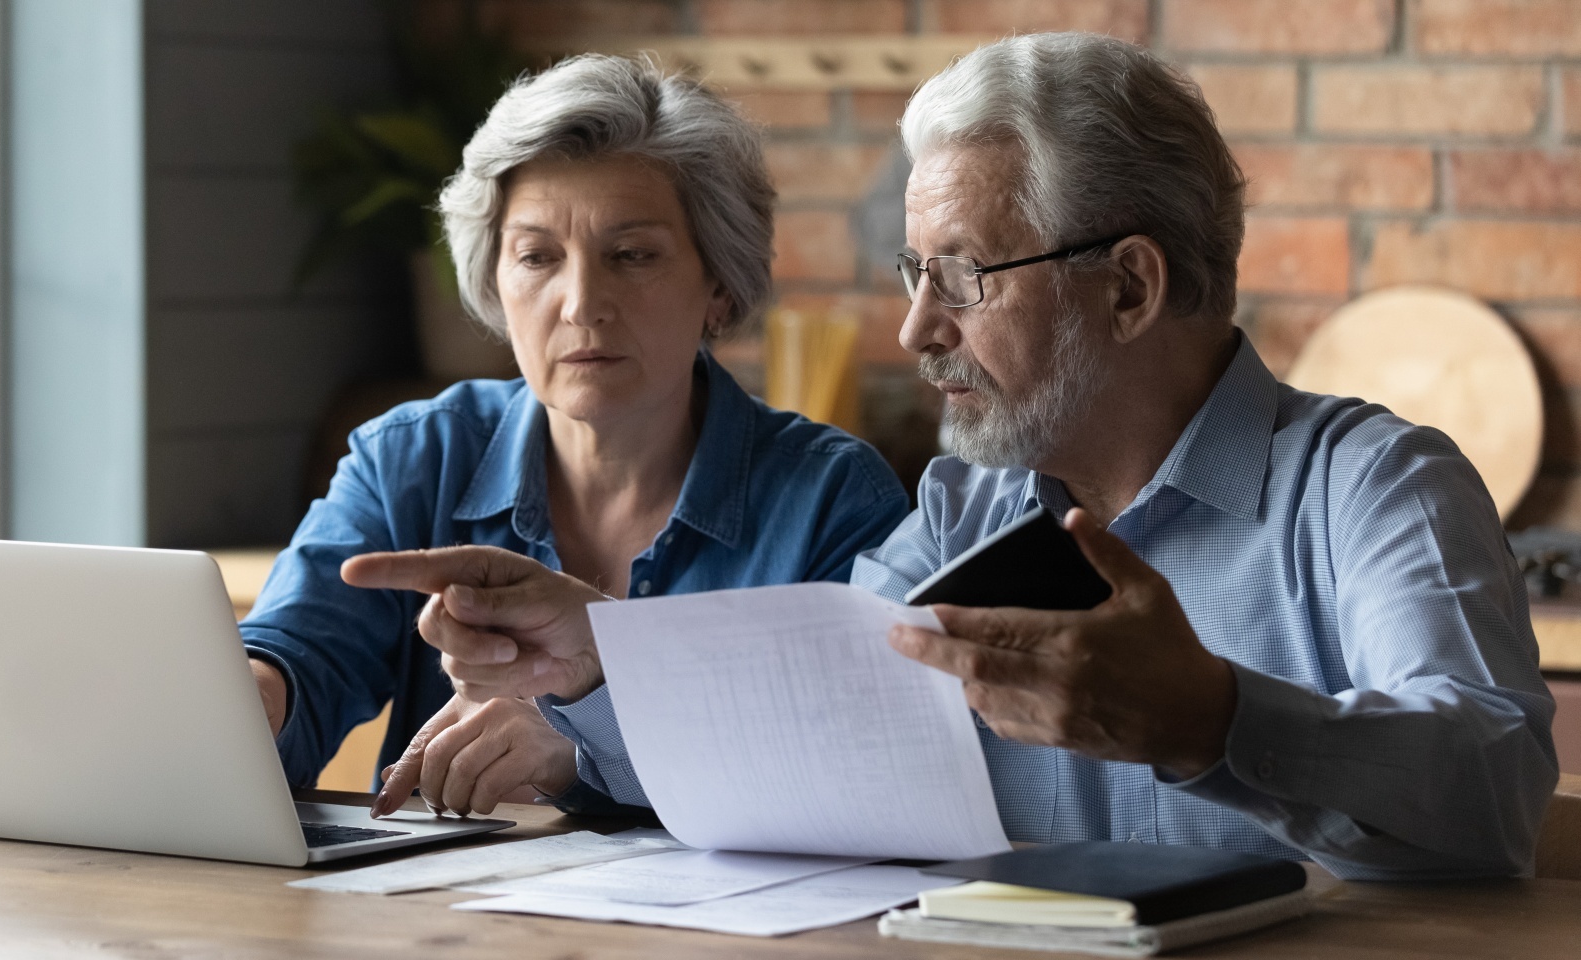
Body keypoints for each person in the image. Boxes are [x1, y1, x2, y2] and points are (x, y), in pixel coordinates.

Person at [371, 33, 1558, 881]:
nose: (915, 330)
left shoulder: (1374, 486)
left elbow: (1494, 796)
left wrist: (1213, 720)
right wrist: (602, 656)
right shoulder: (962, 509)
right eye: (913, 273)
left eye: (964, 277)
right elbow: (809, 731)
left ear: (1130, 286)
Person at [239, 54, 909, 817]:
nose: (582, 303)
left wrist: (584, 749)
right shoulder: (412, 459)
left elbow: (854, 768)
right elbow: (301, 652)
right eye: (537, 257)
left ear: (718, 286)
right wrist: (254, 701)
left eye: (632, 255)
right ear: (495, 281)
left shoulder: (833, 500)